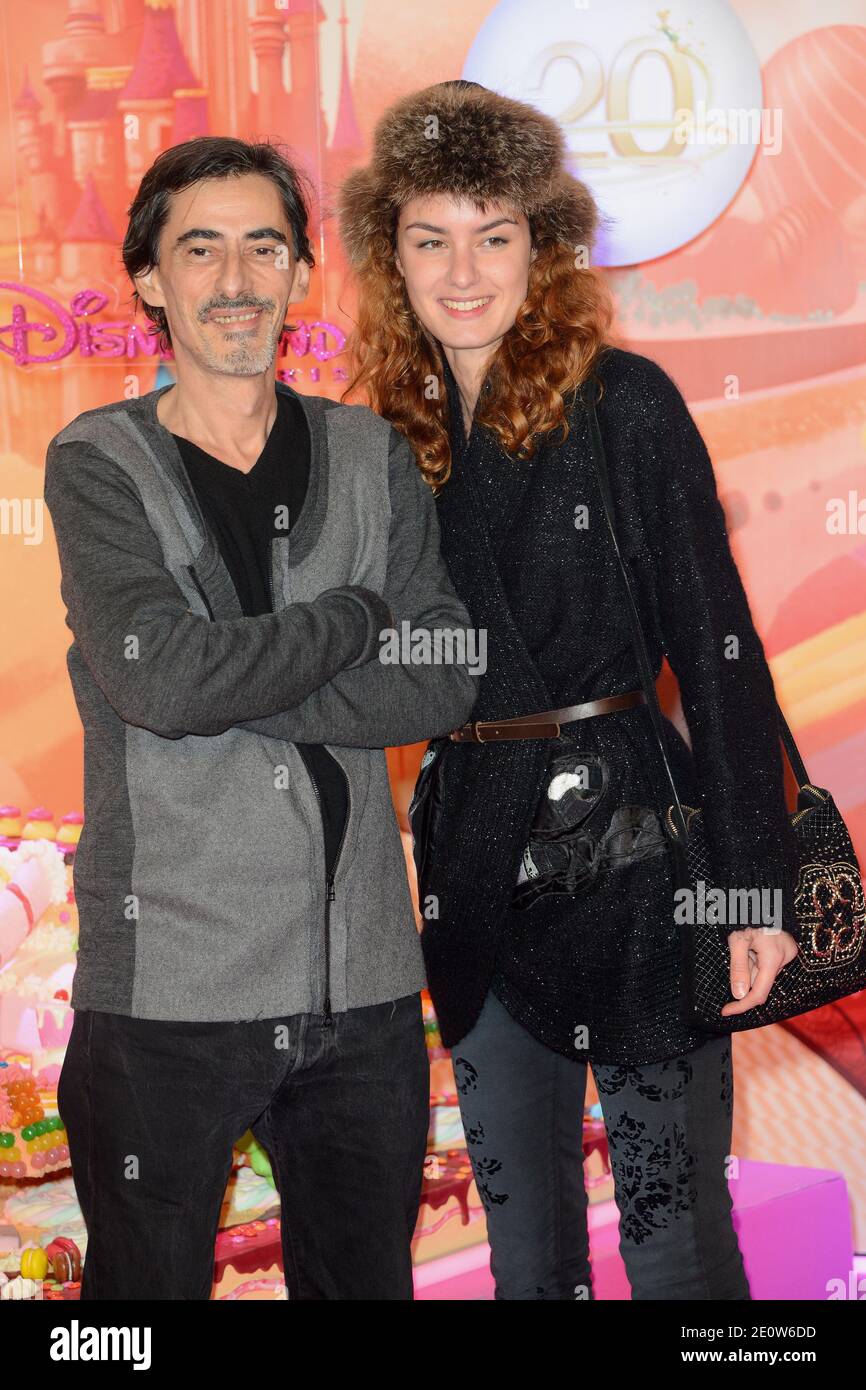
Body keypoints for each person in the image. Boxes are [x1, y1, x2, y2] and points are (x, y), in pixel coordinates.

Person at [335, 80, 803, 1300]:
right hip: (472, 860)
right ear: (390, 252)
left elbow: (720, 655)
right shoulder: (381, 432)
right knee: (524, 1248)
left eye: (492, 234)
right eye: (429, 237)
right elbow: (360, 667)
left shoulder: (625, 402)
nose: (462, 271)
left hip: (643, 861)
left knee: (672, 1233)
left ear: (541, 244)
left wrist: (752, 885)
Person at [43, 135, 477, 1300]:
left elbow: (442, 673)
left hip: (366, 995)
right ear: (148, 279)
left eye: (263, 247)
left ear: (298, 275)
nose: (235, 279)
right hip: (169, 994)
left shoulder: (370, 454)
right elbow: (164, 682)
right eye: (200, 248)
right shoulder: (95, 463)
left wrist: (231, 683)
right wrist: (355, 610)